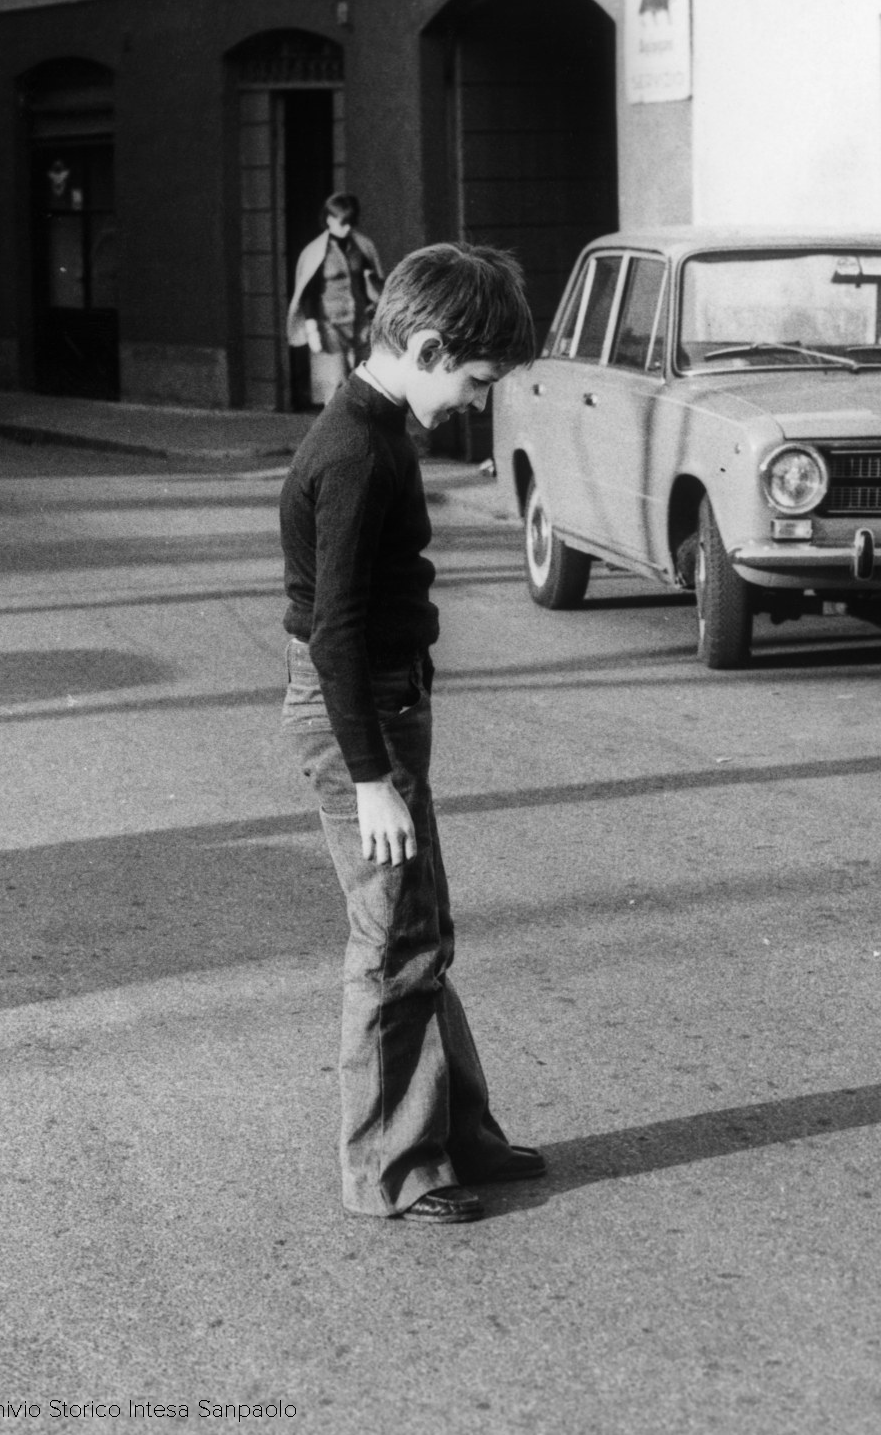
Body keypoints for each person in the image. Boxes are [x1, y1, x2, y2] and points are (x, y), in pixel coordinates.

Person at [279, 241, 540, 1224]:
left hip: (383, 708)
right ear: (427, 346)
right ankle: (391, 1169)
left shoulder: (383, 428)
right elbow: (334, 630)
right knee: (390, 943)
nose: (477, 402)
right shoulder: (353, 452)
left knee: (423, 932)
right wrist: (371, 777)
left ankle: (453, 1137)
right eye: (475, 381)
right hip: (355, 719)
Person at [286, 192, 386, 408]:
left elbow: (371, 283)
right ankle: (336, 434)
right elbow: (309, 292)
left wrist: (375, 309)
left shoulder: (361, 247)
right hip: (329, 325)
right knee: (335, 385)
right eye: (343, 222)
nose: (348, 228)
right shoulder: (316, 252)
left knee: (363, 384)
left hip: (359, 323)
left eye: (351, 222)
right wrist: (312, 328)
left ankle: (361, 435)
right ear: (330, 219)